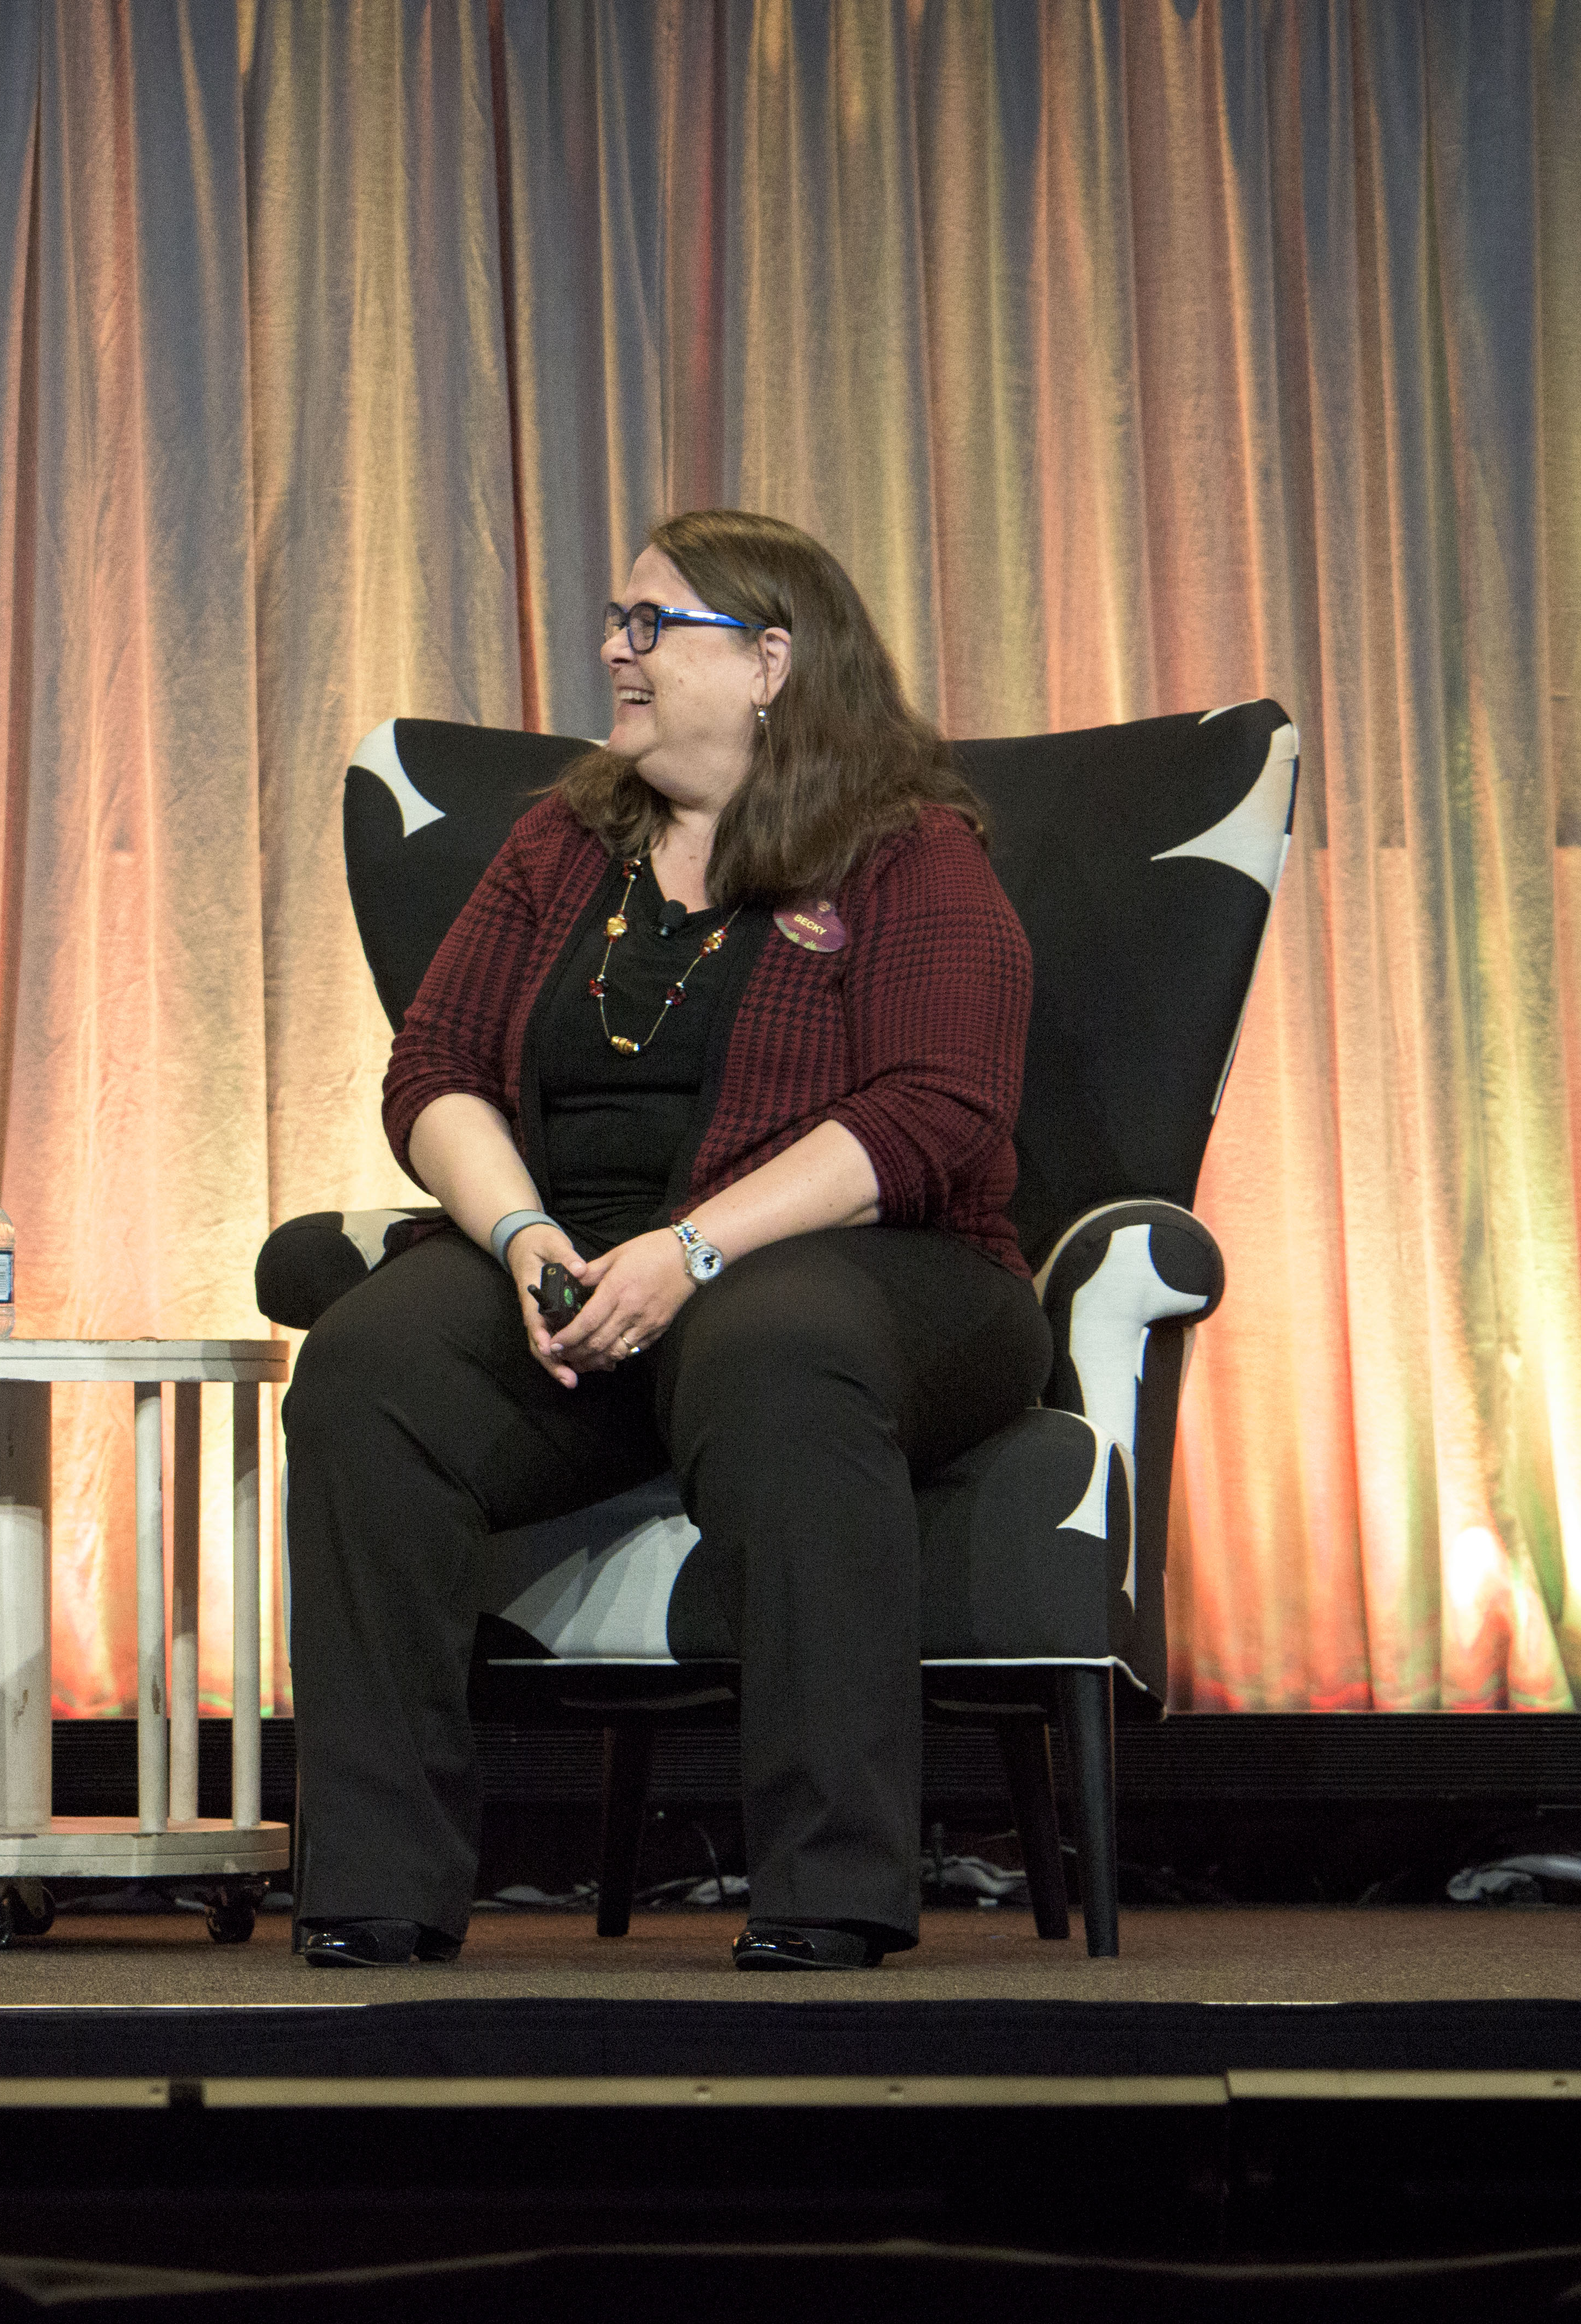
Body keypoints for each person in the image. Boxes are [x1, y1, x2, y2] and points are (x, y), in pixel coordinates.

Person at [282, 509, 1045, 1972]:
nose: (616, 652)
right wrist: (517, 1233)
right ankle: (376, 1881)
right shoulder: (566, 841)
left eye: (651, 626)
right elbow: (430, 1067)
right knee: (369, 1368)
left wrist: (691, 1252)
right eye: (618, 622)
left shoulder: (907, 851)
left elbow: (938, 1112)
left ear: (771, 659)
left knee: (779, 1344)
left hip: (869, 1272)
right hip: (595, 1267)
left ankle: (832, 1885)